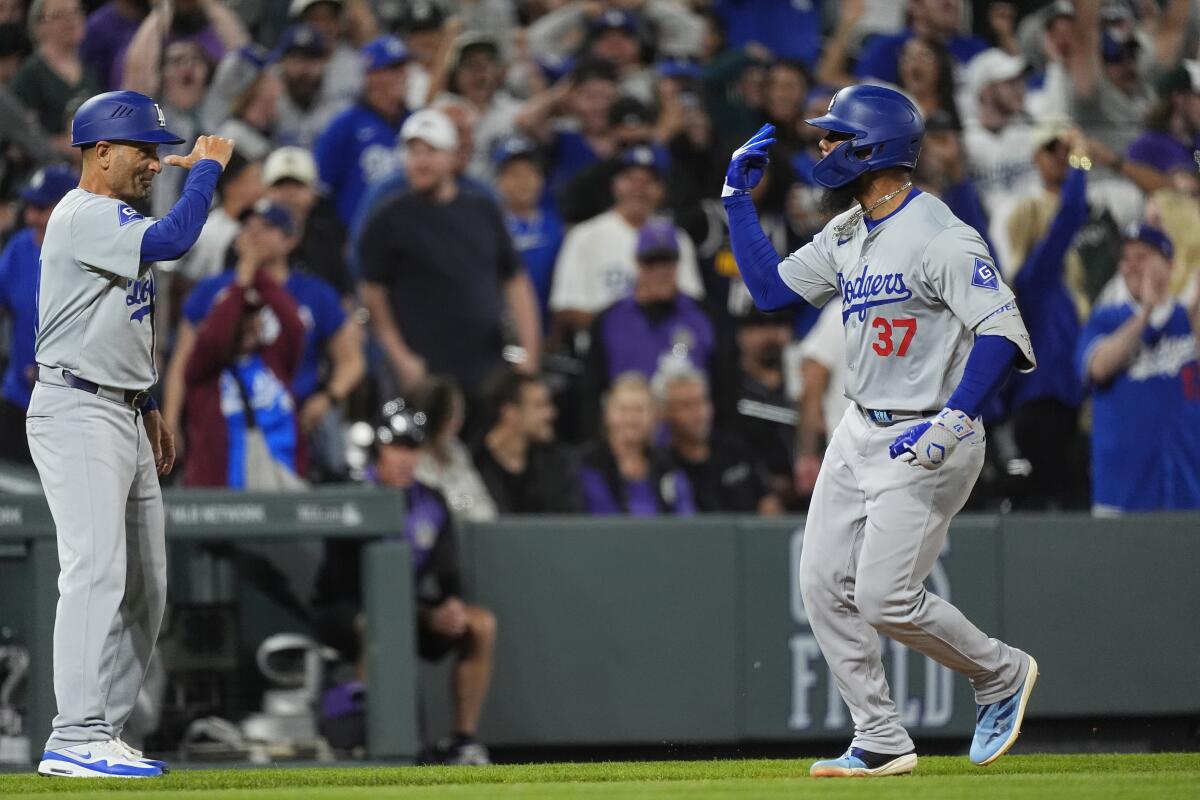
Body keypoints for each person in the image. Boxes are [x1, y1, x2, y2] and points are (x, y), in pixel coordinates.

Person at [724, 84, 1039, 776]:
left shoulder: (940, 235)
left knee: (882, 597)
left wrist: (956, 419)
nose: (823, 146)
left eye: (836, 136)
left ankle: (999, 674)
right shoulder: (848, 231)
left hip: (929, 433)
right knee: (820, 583)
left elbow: (1001, 328)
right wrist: (737, 203)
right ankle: (880, 735)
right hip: (860, 425)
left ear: (874, 148)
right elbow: (772, 292)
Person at [27, 90, 233, 778]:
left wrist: (145, 405)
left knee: (146, 584)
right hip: (77, 407)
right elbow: (176, 240)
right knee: (95, 569)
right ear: (102, 151)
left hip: (120, 408)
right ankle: (74, 731)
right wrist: (203, 169)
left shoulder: (114, 217)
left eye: (160, 149)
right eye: (145, 150)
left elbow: (119, 324)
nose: (155, 162)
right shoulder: (84, 213)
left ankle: (101, 733)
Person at [314, 397, 497, 766]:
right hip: (344, 610)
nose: (405, 458)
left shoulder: (431, 501)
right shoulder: (352, 493)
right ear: (378, 450)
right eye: (396, 447)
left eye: (412, 448)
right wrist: (426, 616)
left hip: (410, 611)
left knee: (480, 625)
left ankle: (463, 741)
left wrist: (451, 606)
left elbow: (449, 576)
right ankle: (376, 741)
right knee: (377, 626)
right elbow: (350, 585)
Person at [171, 200, 363, 482]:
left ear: (290, 239)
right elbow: (184, 361)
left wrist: (328, 398)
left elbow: (350, 359)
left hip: (289, 418)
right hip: (218, 417)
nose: (255, 234)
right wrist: (172, 420)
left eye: (268, 227)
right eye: (249, 226)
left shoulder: (314, 293)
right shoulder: (211, 290)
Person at [359, 108, 540, 397]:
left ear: (452, 156)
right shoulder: (387, 218)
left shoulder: (483, 208)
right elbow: (373, 294)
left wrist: (529, 354)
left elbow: (515, 280)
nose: (420, 161)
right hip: (424, 372)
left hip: (487, 367)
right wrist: (400, 358)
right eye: (413, 151)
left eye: (430, 151)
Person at [1076, 224, 1200, 514]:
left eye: (1142, 256)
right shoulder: (1106, 319)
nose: (1131, 267)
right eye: (1125, 258)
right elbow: (1098, 367)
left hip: (1188, 492)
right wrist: (1145, 313)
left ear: (1169, 265)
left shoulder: (1187, 321)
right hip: (1121, 497)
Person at [181, 204, 306, 488]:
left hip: (280, 490)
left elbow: (294, 327)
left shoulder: (274, 361)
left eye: (255, 318)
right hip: (221, 497)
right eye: (243, 319)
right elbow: (213, 339)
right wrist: (241, 281)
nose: (251, 324)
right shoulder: (206, 373)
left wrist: (256, 271)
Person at [581, 218, 723, 432]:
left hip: (688, 445)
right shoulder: (608, 320)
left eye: (667, 262)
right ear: (637, 264)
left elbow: (724, 389)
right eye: (651, 262)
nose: (660, 271)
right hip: (627, 445)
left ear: (677, 264)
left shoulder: (706, 317)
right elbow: (590, 392)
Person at [549, 144, 703, 340]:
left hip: (664, 353)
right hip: (602, 354)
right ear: (614, 184)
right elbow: (566, 307)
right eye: (630, 179)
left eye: (649, 181)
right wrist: (627, 331)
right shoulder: (585, 236)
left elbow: (692, 303)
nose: (639, 189)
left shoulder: (677, 239)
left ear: (662, 190)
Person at [0, 165, 77, 464]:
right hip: (18, 399)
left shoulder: (90, 256)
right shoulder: (21, 247)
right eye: (29, 206)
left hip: (71, 408)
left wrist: (55, 372)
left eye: (41, 208)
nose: (31, 216)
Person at [657, 364, 780, 515]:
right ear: (665, 413)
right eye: (686, 406)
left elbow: (768, 503)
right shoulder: (663, 467)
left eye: (702, 402)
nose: (698, 413)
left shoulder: (735, 449)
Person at [314, 34, 411, 224]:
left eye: (403, 67)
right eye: (393, 68)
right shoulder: (344, 125)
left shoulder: (415, 122)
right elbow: (321, 190)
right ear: (371, 76)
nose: (403, 75)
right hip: (356, 239)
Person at [578, 372, 694, 516]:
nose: (631, 419)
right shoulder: (586, 465)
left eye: (639, 410)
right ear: (607, 414)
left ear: (654, 416)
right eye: (623, 410)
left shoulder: (667, 466)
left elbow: (686, 521)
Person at [474, 369, 583, 514]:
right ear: (509, 412)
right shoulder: (473, 464)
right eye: (540, 405)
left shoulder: (557, 463)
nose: (551, 414)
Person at [11, 0, 99, 158]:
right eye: (59, 15)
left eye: (76, 12)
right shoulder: (29, 76)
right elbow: (18, 139)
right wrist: (63, 145)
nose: (71, 20)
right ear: (38, 27)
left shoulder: (89, 70)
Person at [262, 145, 353, 297]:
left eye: (298, 186)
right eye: (280, 186)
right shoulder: (249, 237)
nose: (289, 194)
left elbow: (344, 297)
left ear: (314, 192)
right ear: (265, 191)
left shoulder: (328, 237)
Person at [492, 135, 562, 327]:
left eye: (530, 172)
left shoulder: (555, 224)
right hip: (498, 332)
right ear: (498, 181)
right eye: (514, 174)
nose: (523, 181)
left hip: (547, 332)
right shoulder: (488, 226)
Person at [412, 375, 498, 524]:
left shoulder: (457, 452)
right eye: (454, 414)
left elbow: (485, 508)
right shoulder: (411, 459)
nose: (459, 420)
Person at [854, 0, 988, 85]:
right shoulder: (888, 46)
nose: (951, 2)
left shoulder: (976, 47)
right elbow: (865, 95)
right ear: (915, 5)